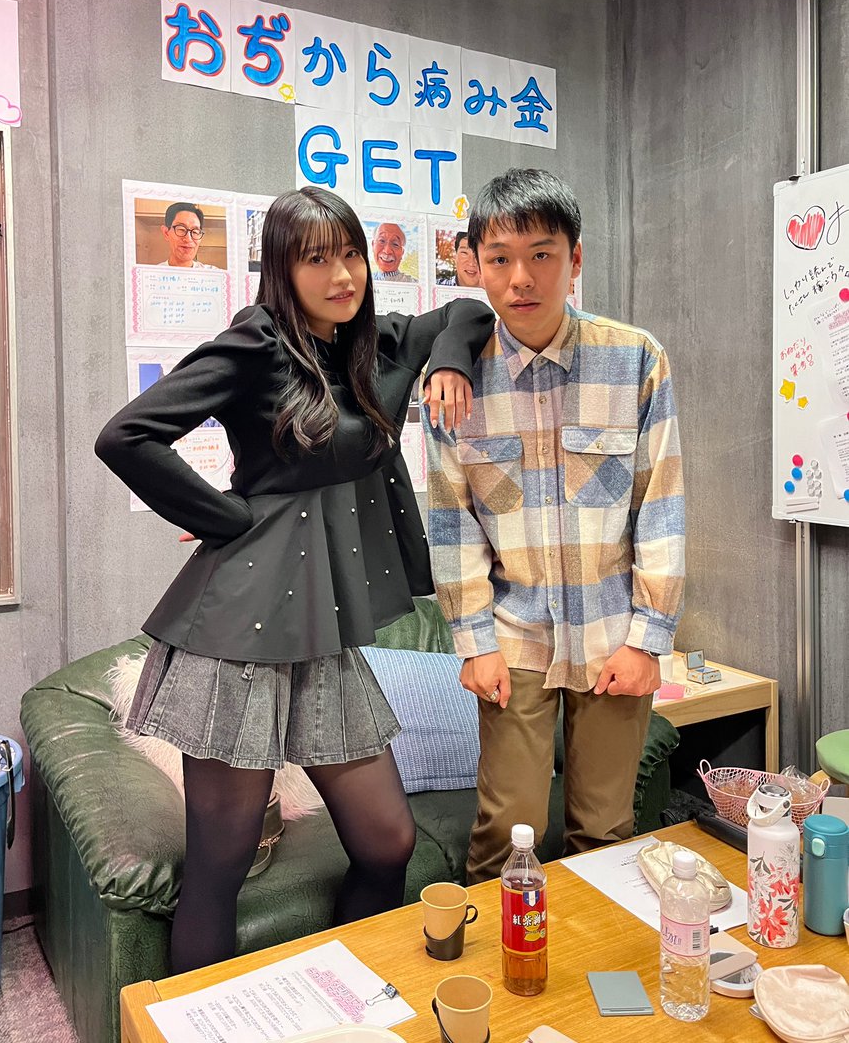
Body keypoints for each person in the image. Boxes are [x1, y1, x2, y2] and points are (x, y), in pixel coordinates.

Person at [96, 187, 494, 973]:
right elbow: (127, 436)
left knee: (388, 841)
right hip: (239, 632)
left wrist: (448, 360)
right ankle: (202, 1021)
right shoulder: (257, 343)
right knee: (220, 868)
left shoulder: (375, 345)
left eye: (350, 255)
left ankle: (339, 992)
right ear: (282, 268)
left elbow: (467, 311)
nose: (342, 275)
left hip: (321, 632)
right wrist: (227, 519)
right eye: (317, 259)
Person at [423, 168, 684, 884]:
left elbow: (661, 504)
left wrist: (649, 638)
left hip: (612, 635)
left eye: (542, 254)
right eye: (500, 258)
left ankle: (594, 956)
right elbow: (452, 522)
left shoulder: (635, 358)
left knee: (607, 832)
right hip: (514, 640)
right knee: (506, 836)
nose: (522, 278)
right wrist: (473, 643)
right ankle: (500, 952)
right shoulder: (454, 382)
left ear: (576, 260)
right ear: (475, 264)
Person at [156, 201, 216, 269]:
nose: (188, 239)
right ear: (166, 233)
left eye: (195, 232)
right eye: (181, 229)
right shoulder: (152, 273)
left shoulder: (213, 273)